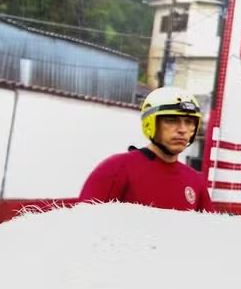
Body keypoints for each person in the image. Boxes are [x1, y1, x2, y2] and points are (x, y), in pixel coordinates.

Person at [79, 86, 213, 212]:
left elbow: (208, 232)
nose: (182, 130)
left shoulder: (195, 181)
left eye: (189, 122)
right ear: (150, 123)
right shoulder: (116, 168)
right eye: (171, 120)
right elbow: (85, 227)